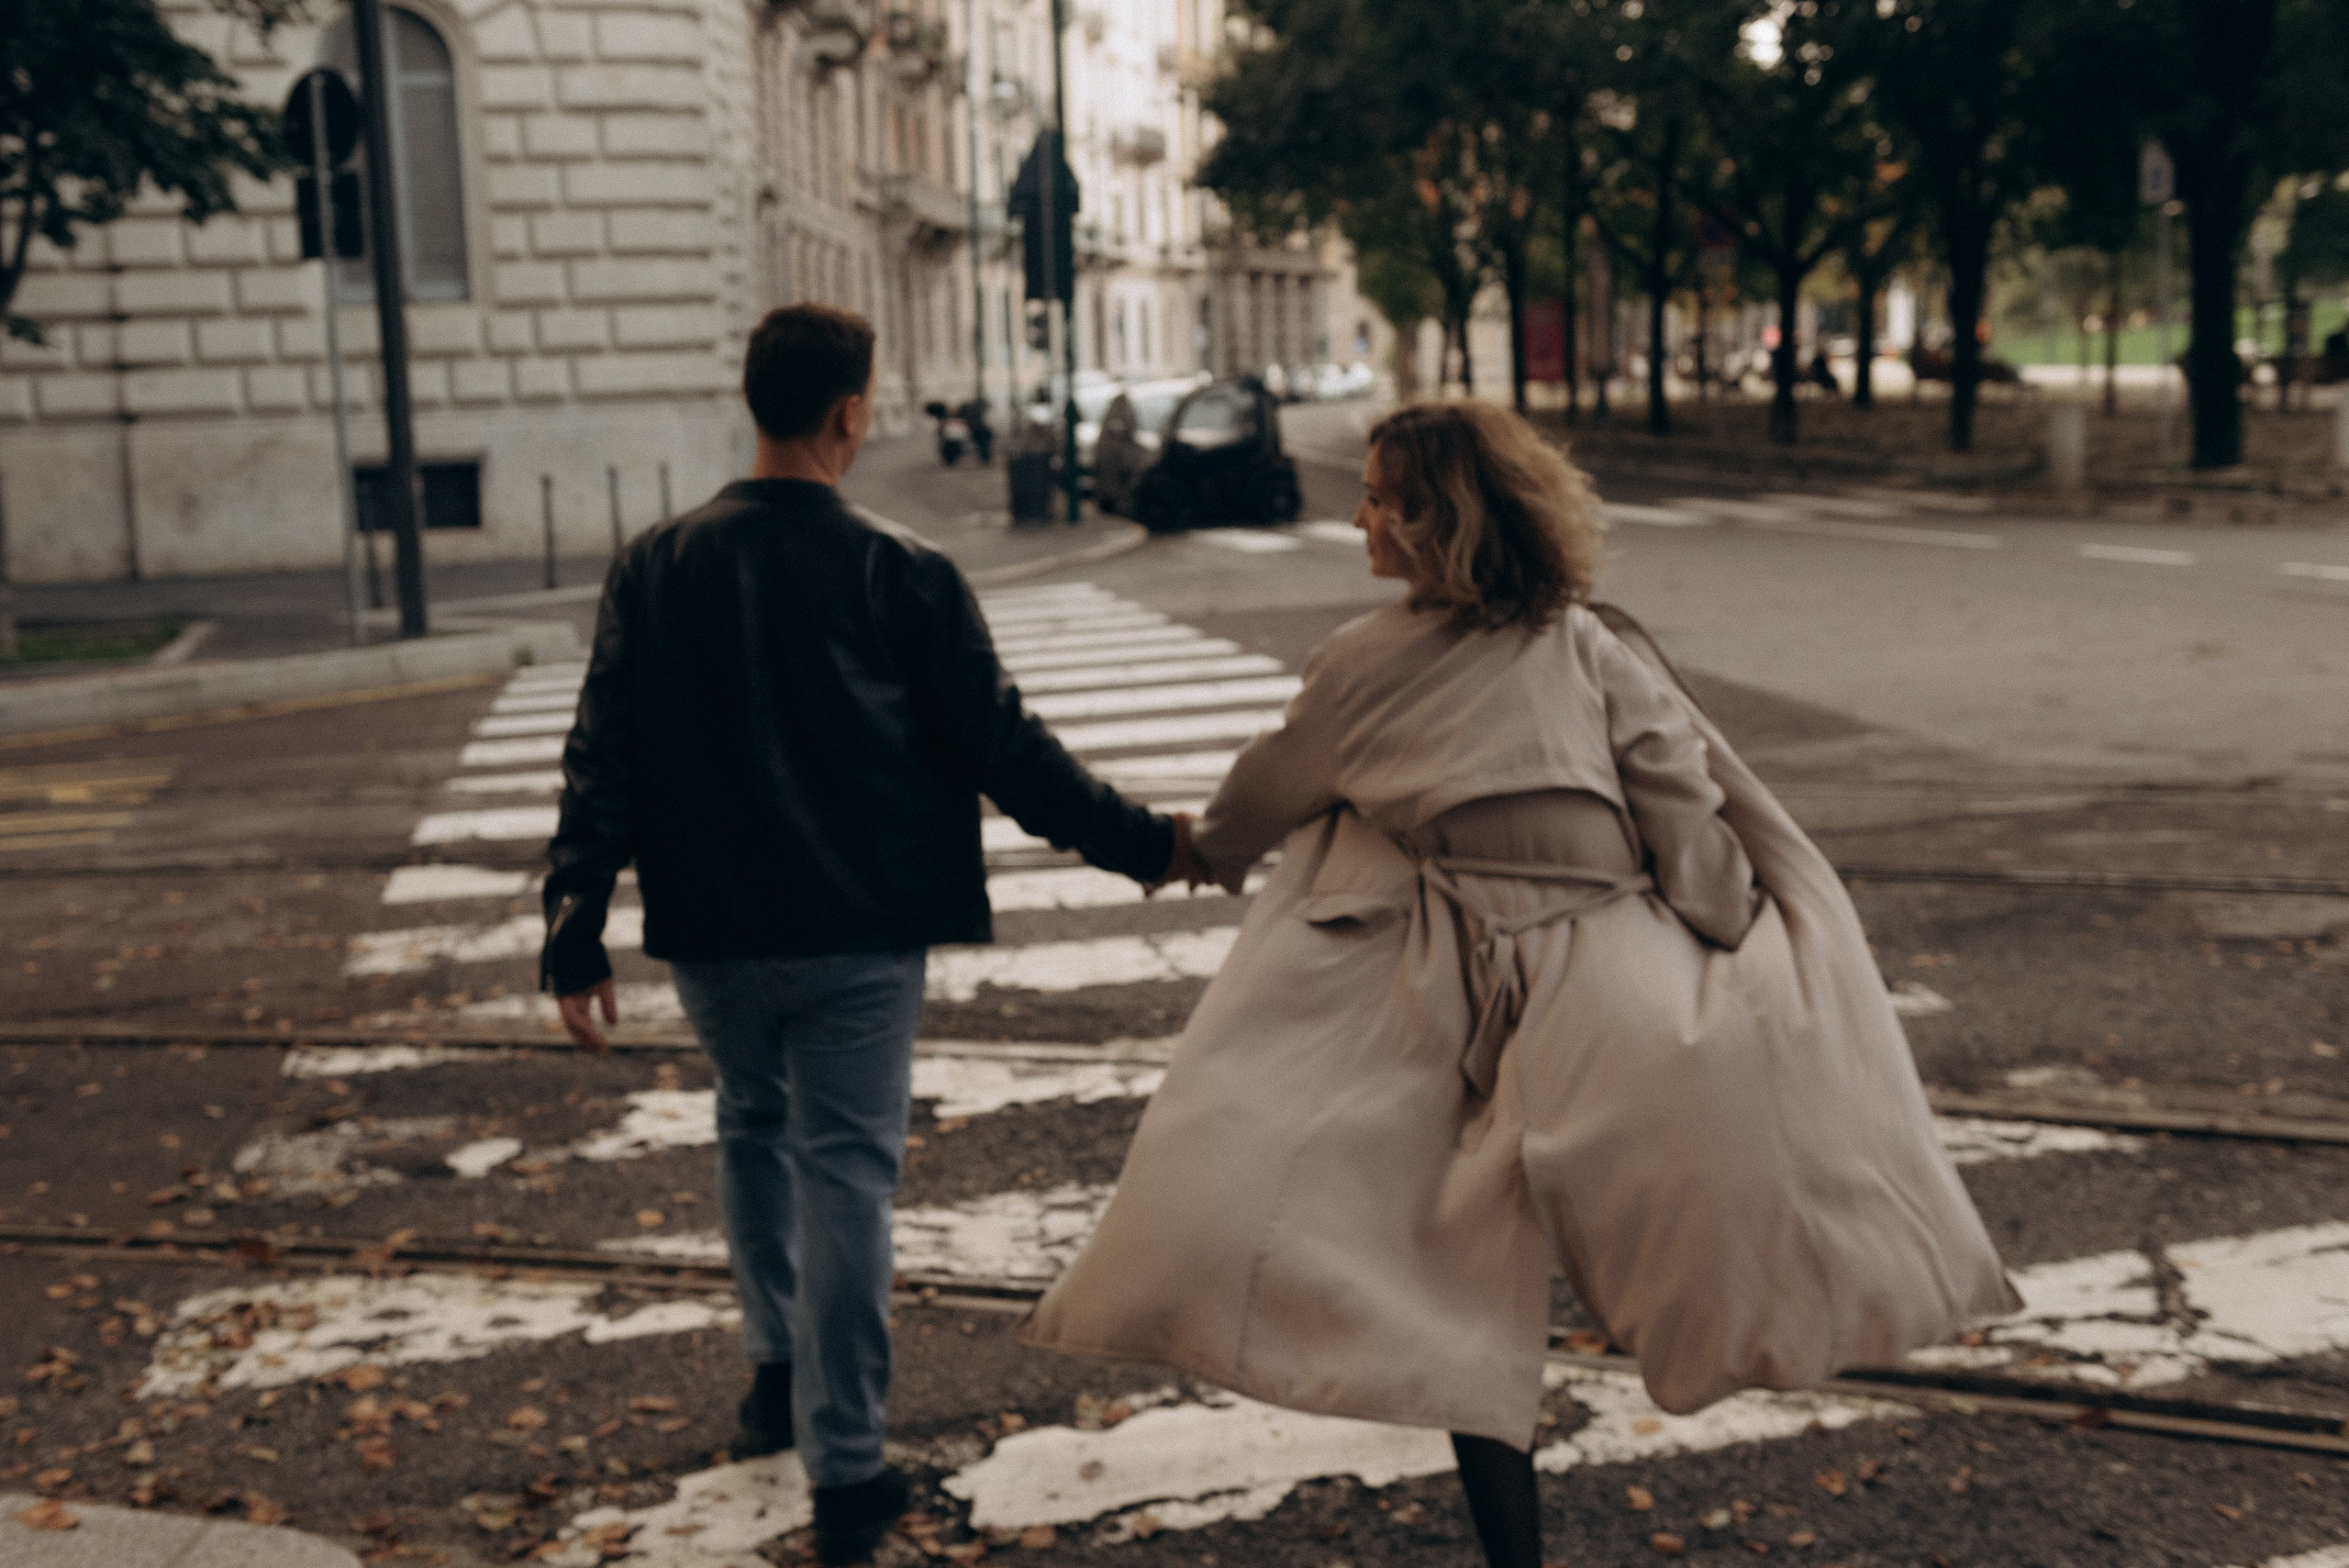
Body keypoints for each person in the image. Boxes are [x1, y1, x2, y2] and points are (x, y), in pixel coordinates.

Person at [1019, 402, 2019, 1568]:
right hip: (1611, 986)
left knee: (1458, 1274)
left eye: (1380, 500)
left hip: (1440, 997)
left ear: (1433, 523)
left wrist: (1185, 849)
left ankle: (1513, 1549)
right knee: (1702, 1213)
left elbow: (1255, 803)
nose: (1359, 517)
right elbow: (1683, 814)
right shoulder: (1586, 645)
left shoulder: (1357, 666)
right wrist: (1730, 937)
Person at [539, 304, 1197, 1566]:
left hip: (712, 930)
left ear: (755, 400)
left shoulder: (655, 562)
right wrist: (1149, 845)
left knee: (751, 1123)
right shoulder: (903, 568)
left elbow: (600, 751)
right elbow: (1007, 752)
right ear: (851, 410)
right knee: (844, 1170)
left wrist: (575, 922)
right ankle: (846, 1472)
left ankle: (773, 1377)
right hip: (856, 930)